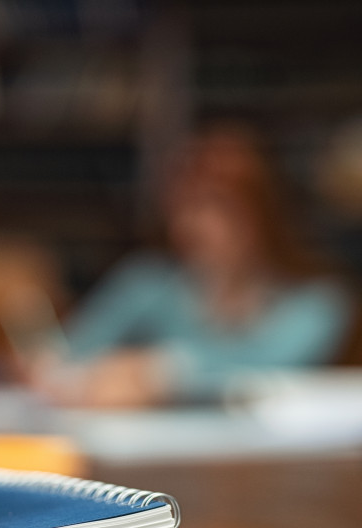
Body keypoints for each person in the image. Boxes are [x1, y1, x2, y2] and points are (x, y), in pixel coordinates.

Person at [33, 123, 354, 408]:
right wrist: (62, 372)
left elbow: (266, 369)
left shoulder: (317, 303)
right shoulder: (148, 283)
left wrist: (161, 373)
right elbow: (71, 354)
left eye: (215, 206)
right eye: (183, 207)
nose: (193, 224)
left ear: (260, 212)